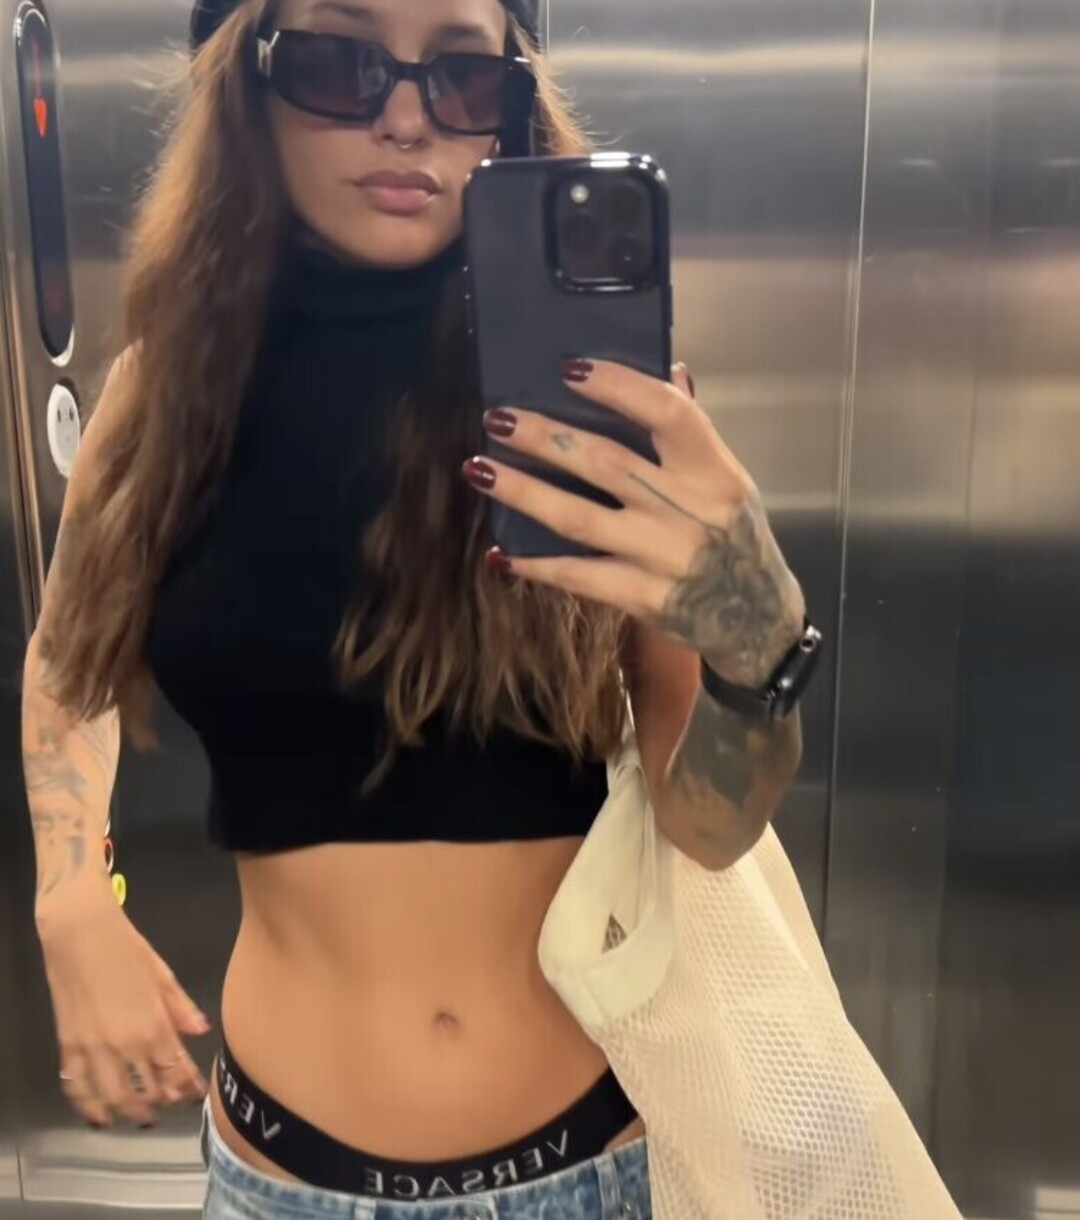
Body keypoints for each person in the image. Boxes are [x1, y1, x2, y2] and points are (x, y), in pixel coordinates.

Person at [21, 0, 814, 1216]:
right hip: (280, 1181)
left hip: (589, 1172)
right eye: (338, 65)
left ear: (508, 105)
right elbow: (66, 658)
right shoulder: (163, 398)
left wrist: (760, 653)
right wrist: (73, 891)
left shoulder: (600, 414)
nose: (405, 119)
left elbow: (705, 832)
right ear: (250, 86)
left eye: (460, 75)